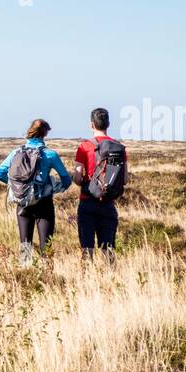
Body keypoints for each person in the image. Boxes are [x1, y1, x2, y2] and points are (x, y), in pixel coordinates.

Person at [0, 119, 72, 264]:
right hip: (44, 203)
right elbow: (67, 180)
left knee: (25, 245)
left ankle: (24, 275)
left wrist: (15, 186)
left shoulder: (16, 152)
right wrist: (55, 188)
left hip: (22, 202)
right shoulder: (50, 155)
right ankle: (48, 276)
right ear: (45, 133)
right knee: (46, 246)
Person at [72, 107, 128, 262]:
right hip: (108, 203)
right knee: (108, 248)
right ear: (108, 124)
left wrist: (83, 181)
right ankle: (111, 280)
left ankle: (89, 281)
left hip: (87, 200)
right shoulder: (119, 147)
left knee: (87, 249)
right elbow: (124, 179)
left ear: (91, 125)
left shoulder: (84, 147)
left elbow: (77, 177)